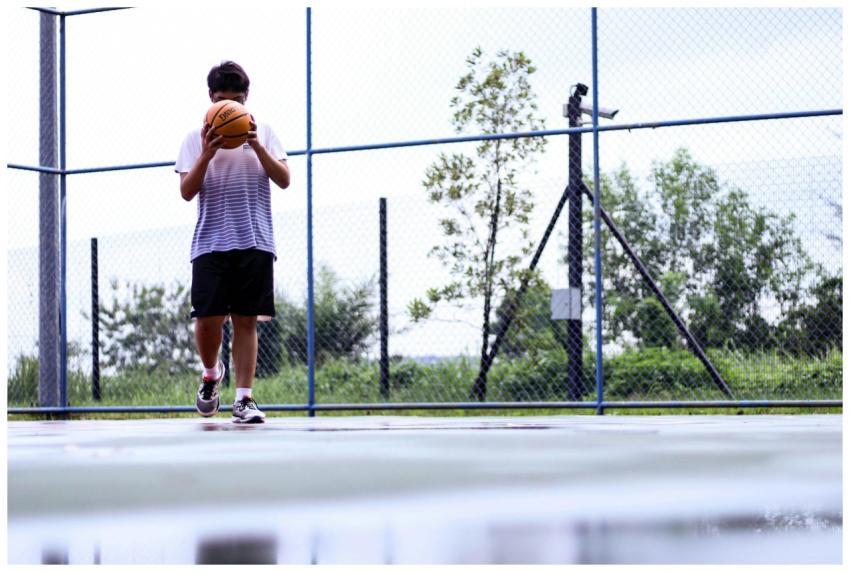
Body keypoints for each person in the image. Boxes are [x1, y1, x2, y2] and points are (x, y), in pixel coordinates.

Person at [175, 61, 290, 423]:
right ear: (212, 98)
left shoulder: (264, 132)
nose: (233, 107)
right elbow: (186, 191)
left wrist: (256, 147)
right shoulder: (194, 139)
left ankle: (244, 399)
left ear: (247, 99)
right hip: (210, 241)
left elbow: (284, 179)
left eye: (239, 100)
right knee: (207, 321)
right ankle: (211, 375)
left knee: (245, 320)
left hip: (255, 238)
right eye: (225, 100)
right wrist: (208, 153)